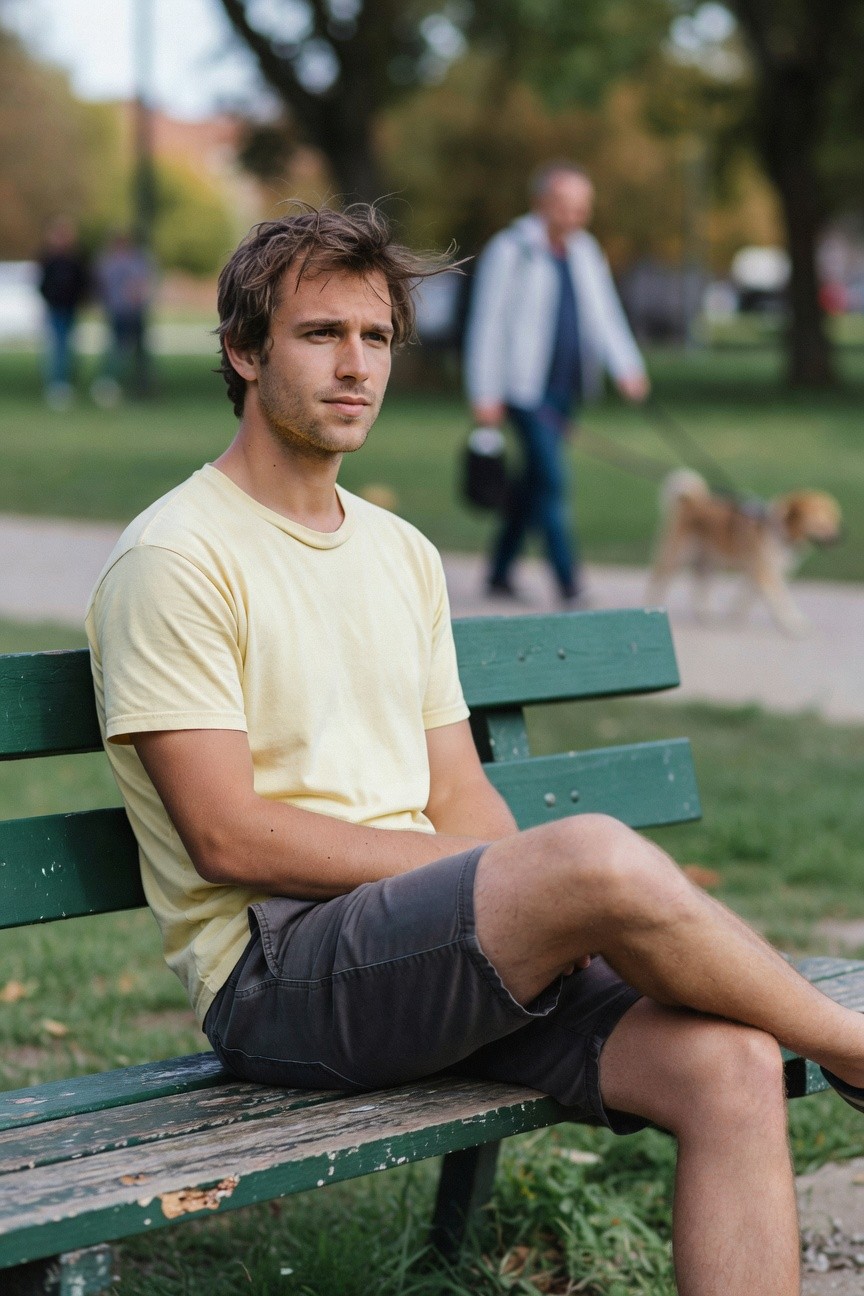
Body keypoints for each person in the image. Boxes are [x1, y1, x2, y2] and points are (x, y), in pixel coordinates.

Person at [87, 205, 864, 1296]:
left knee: (729, 1064)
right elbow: (225, 833)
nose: (357, 366)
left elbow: (459, 791)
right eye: (321, 335)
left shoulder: (401, 553)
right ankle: (849, 1041)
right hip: (280, 976)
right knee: (590, 856)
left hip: (438, 950)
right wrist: (527, 886)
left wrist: (542, 908)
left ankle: (816, 1037)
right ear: (245, 350)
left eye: (377, 338)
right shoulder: (176, 557)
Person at [464, 164, 649, 605]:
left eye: (582, 206)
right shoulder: (511, 250)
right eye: (565, 205)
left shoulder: (585, 250)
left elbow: (604, 312)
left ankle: (499, 573)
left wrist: (627, 366)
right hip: (523, 390)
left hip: (566, 387)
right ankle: (569, 581)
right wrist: (484, 391)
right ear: (542, 203)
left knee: (532, 483)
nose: (574, 215)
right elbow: (487, 324)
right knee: (551, 480)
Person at [91, 232, 154, 405]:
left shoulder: (127, 261)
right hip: (120, 312)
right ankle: (112, 383)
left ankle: (140, 386)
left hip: (130, 312)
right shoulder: (112, 262)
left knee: (136, 351)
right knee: (119, 349)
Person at [36, 216, 90, 409]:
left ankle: (66, 381)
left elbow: (83, 282)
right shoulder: (49, 259)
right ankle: (58, 384)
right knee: (58, 347)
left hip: (71, 307)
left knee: (68, 346)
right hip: (55, 308)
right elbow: (42, 284)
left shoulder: (75, 259)